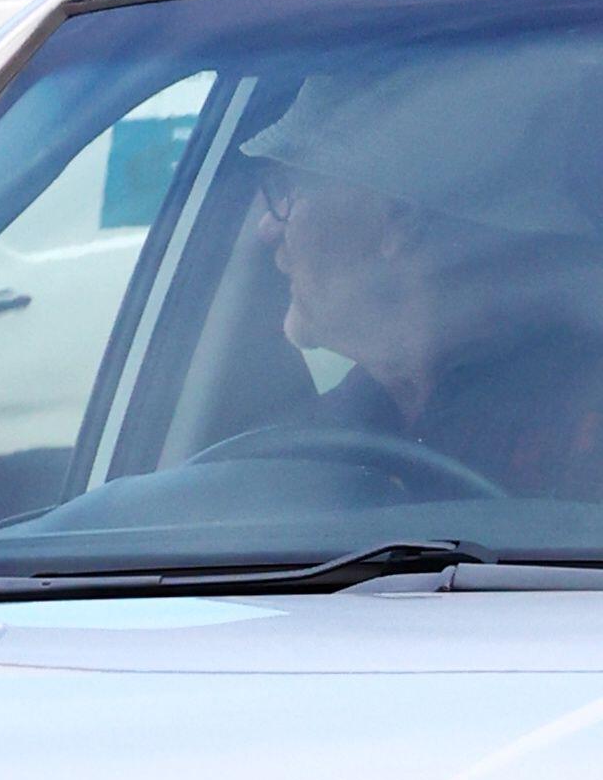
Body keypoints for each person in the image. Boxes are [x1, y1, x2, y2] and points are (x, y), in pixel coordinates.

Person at [249, 70, 603, 498]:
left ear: (397, 219)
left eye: (287, 191)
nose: (266, 228)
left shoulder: (582, 425)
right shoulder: (320, 435)